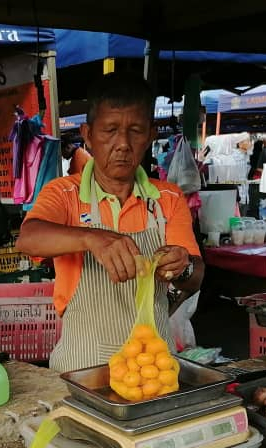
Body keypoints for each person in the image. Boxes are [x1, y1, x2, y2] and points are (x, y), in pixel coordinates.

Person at [16, 72, 204, 373]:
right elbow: (28, 237)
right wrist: (92, 238)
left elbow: (195, 276)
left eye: (135, 131)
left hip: (152, 366)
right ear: (87, 134)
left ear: (151, 133)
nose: (123, 144)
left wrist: (182, 267)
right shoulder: (64, 194)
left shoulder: (167, 198)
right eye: (110, 130)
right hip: (83, 366)